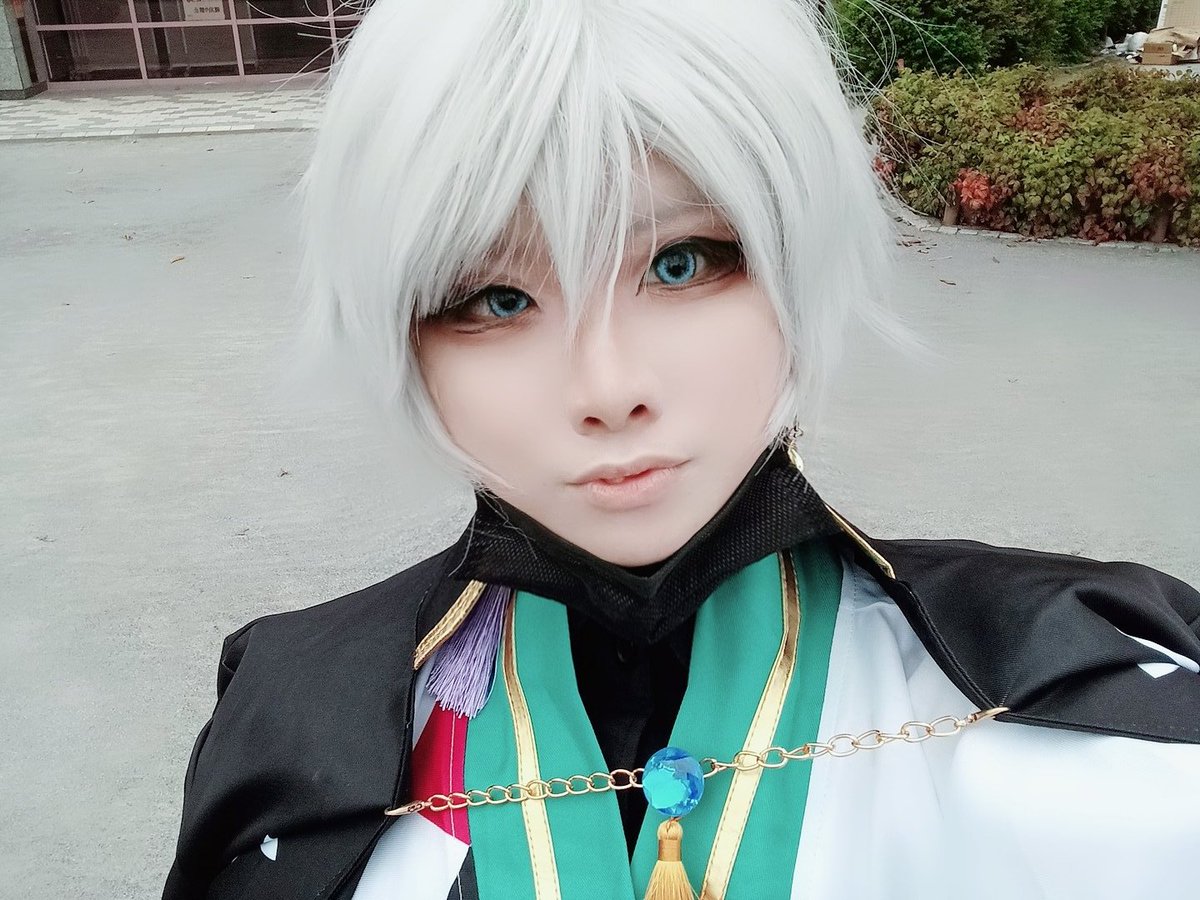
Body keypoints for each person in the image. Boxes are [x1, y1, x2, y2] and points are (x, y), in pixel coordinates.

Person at [163, 1, 1200, 898]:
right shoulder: (291, 720)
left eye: (682, 262)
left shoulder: (1107, 711)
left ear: (797, 256)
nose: (607, 388)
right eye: (496, 298)